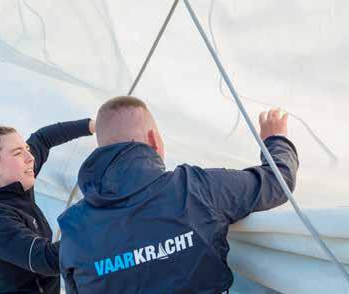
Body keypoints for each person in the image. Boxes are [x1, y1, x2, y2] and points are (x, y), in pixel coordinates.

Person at [58, 96, 299, 293]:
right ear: (153, 139)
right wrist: (275, 138)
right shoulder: (197, 188)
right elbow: (278, 182)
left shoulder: (73, 230)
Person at [0, 118, 95, 294]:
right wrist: (103, 223)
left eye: (27, 150)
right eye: (17, 153)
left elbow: (43, 138)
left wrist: (93, 125)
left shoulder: (14, 182)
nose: (30, 158)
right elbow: (48, 260)